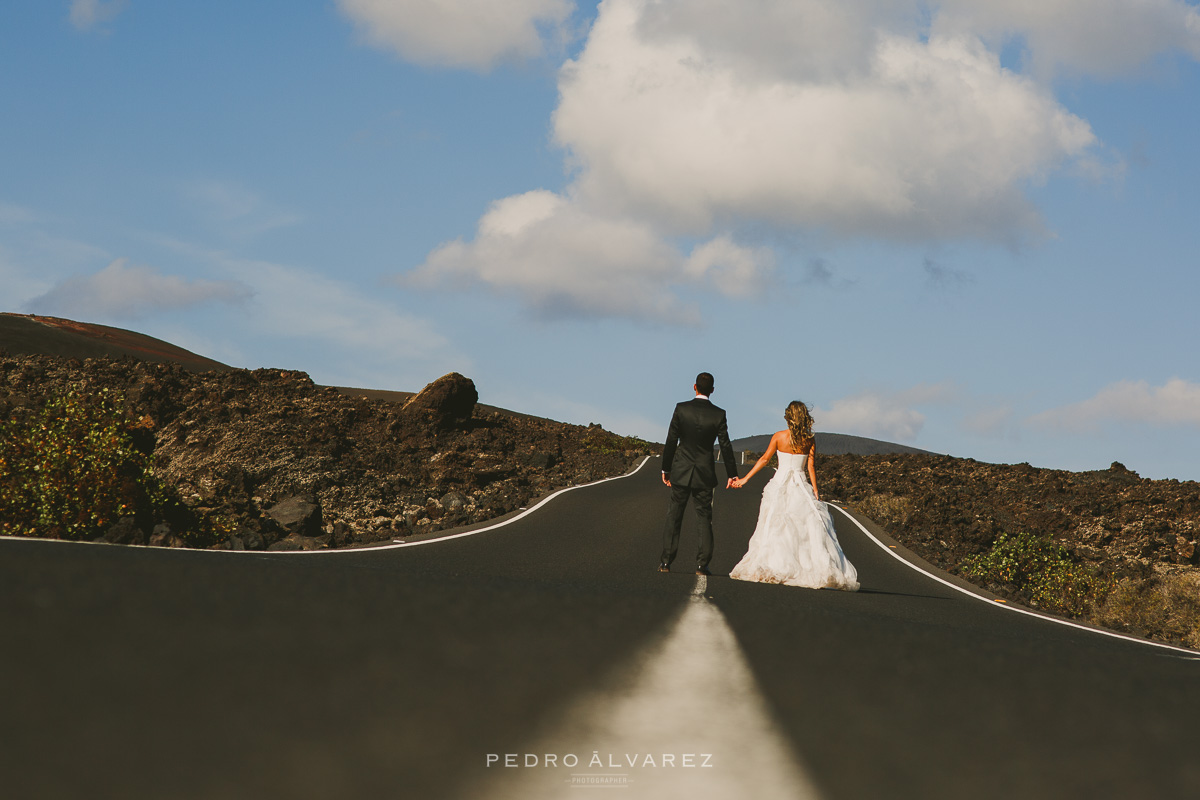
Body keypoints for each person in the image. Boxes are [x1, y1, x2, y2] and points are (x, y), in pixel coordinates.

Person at [729, 401, 859, 590]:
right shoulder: (809, 439)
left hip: (779, 484)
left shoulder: (779, 437)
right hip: (800, 486)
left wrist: (745, 479)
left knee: (774, 525)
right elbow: (810, 467)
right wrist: (815, 490)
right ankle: (805, 567)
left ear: (787, 417)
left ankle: (776, 564)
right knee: (805, 529)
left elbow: (765, 459)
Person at [659, 372, 739, 576]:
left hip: (680, 470)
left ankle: (666, 562)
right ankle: (702, 565)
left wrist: (665, 469)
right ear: (712, 390)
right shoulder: (718, 414)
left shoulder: (681, 409)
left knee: (674, 516)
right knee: (704, 517)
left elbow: (671, 440)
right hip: (704, 472)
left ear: (694, 387)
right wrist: (732, 473)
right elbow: (725, 445)